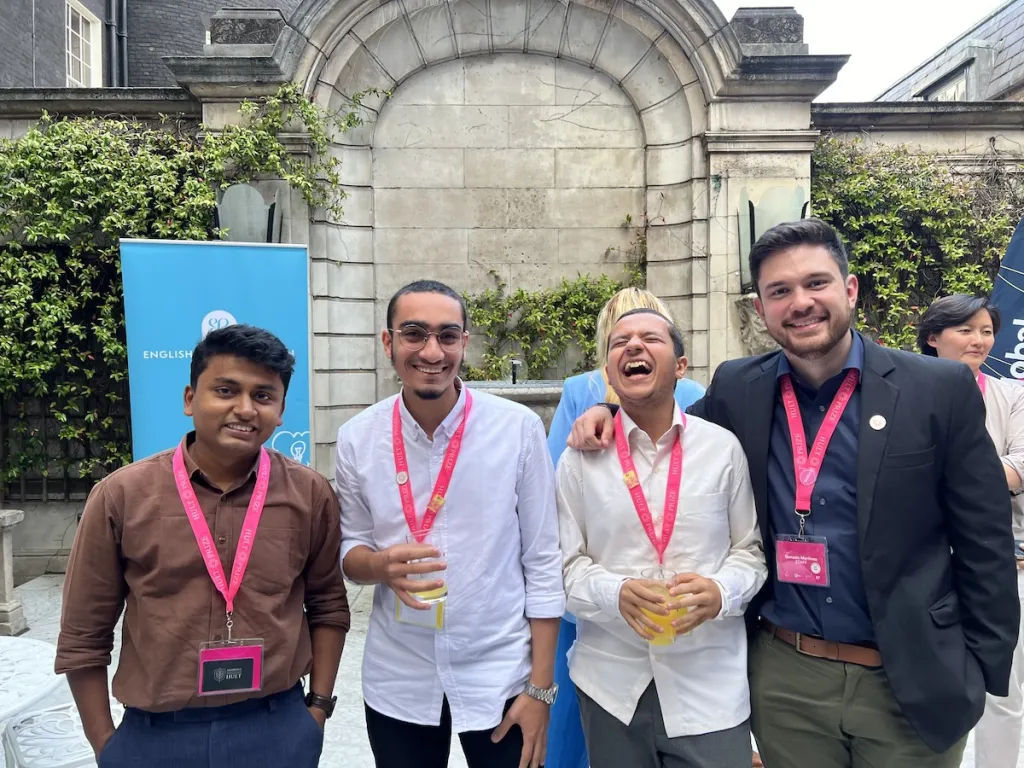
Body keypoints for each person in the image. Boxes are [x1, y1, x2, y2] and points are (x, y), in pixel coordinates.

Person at [566, 218, 1019, 767]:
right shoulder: (739, 387)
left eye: (816, 283)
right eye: (780, 291)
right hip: (787, 676)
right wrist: (609, 409)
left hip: (910, 674)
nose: (800, 302)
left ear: (849, 289)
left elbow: (985, 538)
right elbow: (667, 426)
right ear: (761, 309)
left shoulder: (934, 389)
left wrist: (980, 670)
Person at [56, 324, 349, 768]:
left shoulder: (308, 494)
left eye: (263, 396)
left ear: (282, 409)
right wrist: (107, 746)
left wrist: (318, 711)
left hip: (277, 729)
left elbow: (328, 605)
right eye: (226, 390)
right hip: (157, 737)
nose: (245, 409)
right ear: (191, 399)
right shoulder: (121, 496)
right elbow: (83, 636)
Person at [335, 279, 565, 768]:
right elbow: (349, 549)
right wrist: (378, 565)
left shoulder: (516, 429)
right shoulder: (358, 438)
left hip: (499, 673)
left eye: (448, 335)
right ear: (388, 342)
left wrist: (540, 691)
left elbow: (544, 559)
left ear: (465, 342)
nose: (431, 351)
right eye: (414, 333)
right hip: (399, 677)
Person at [556, 307, 766, 768]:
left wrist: (718, 591)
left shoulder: (722, 449)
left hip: (708, 686)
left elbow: (750, 553)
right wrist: (616, 593)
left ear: (681, 365)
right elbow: (562, 567)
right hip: (611, 686)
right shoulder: (580, 461)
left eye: (650, 338)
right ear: (610, 372)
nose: (632, 346)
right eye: (619, 342)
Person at [545, 287, 705, 768]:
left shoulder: (581, 390)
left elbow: (555, 483)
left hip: (600, 585)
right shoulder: (695, 392)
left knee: (581, 718)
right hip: (679, 590)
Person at [917, 293, 1024, 768]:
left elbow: (1021, 465)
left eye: (985, 330)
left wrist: (944, 476)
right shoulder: (907, 397)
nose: (979, 340)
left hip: (1002, 563)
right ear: (933, 338)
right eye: (966, 330)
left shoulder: (1012, 395)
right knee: (927, 681)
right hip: (926, 565)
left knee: (1003, 687)